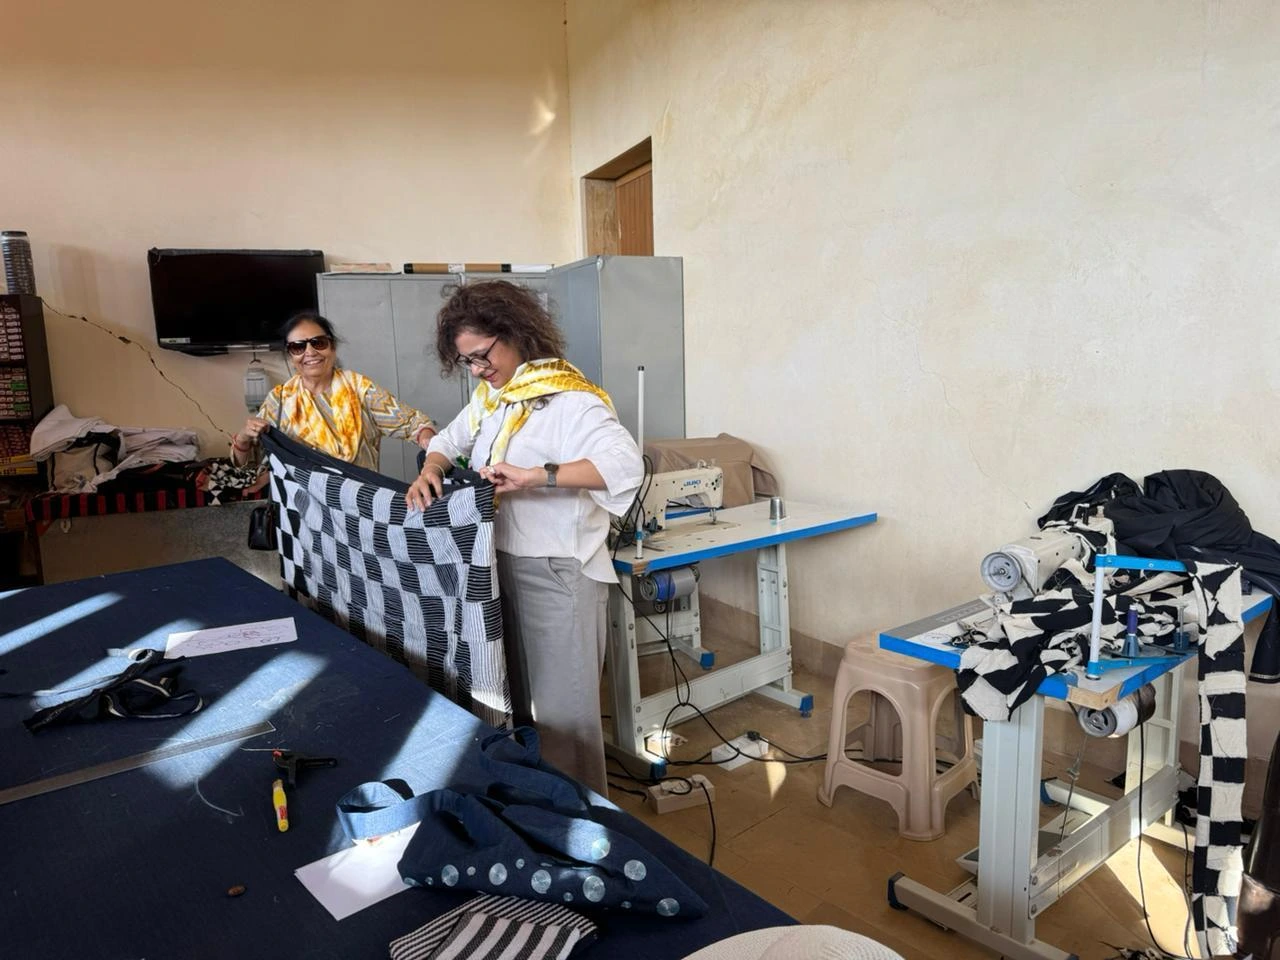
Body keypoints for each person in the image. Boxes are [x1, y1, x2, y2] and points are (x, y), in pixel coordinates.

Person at [406, 281, 643, 795]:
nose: (477, 369)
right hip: (501, 565)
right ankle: (536, 804)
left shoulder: (572, 401)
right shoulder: (493, 401)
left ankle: (578, 819)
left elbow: (625, 465)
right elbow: (447, 439)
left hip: (558, 573)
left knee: (565, 717)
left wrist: (539, 476)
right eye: (466, 361)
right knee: (518, 703)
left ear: (515, 333)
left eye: (482, 355)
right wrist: (432, 468)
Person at [231, 312, 436, 470]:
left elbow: (414, 424)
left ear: (333, 347)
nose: (310, 352)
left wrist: (428, 441)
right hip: (303, 507)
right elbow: (244, 466)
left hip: (359, 503)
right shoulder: (279, 400)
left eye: (318, 343)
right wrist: (243, 438)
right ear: (290, 355)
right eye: (298, 347)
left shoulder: (360, 389)